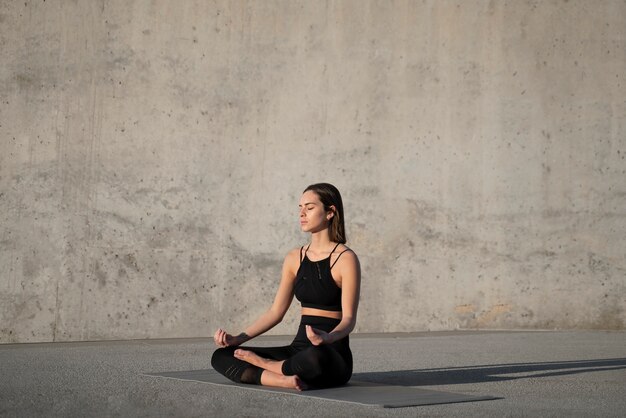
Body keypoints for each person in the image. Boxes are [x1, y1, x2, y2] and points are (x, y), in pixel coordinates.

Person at [211, 183, 361, 391]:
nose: (302, 214)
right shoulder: (294, 258)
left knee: (314, 358)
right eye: (299, 208)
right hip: (297, 351)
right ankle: (283, 379)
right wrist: (238, 338)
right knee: (222, 355)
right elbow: (276, 312)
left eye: (309, 208)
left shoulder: (346, 259)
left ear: (330, 212)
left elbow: (349, 320)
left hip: (330, 353)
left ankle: (268, 367)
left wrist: (328, 337)